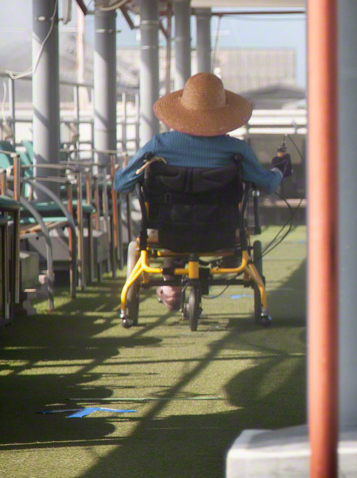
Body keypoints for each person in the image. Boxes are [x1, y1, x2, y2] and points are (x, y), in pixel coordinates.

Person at [114, 72, 291, 310]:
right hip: (222, 231)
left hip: (170, 231)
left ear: (182, 111)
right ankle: (227, 262)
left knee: (172, 221)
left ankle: (170, 286)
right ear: (222, 114)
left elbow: (121, 184)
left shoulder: (159, 145)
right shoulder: (236, 150)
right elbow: (267, 185)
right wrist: (279, 169)